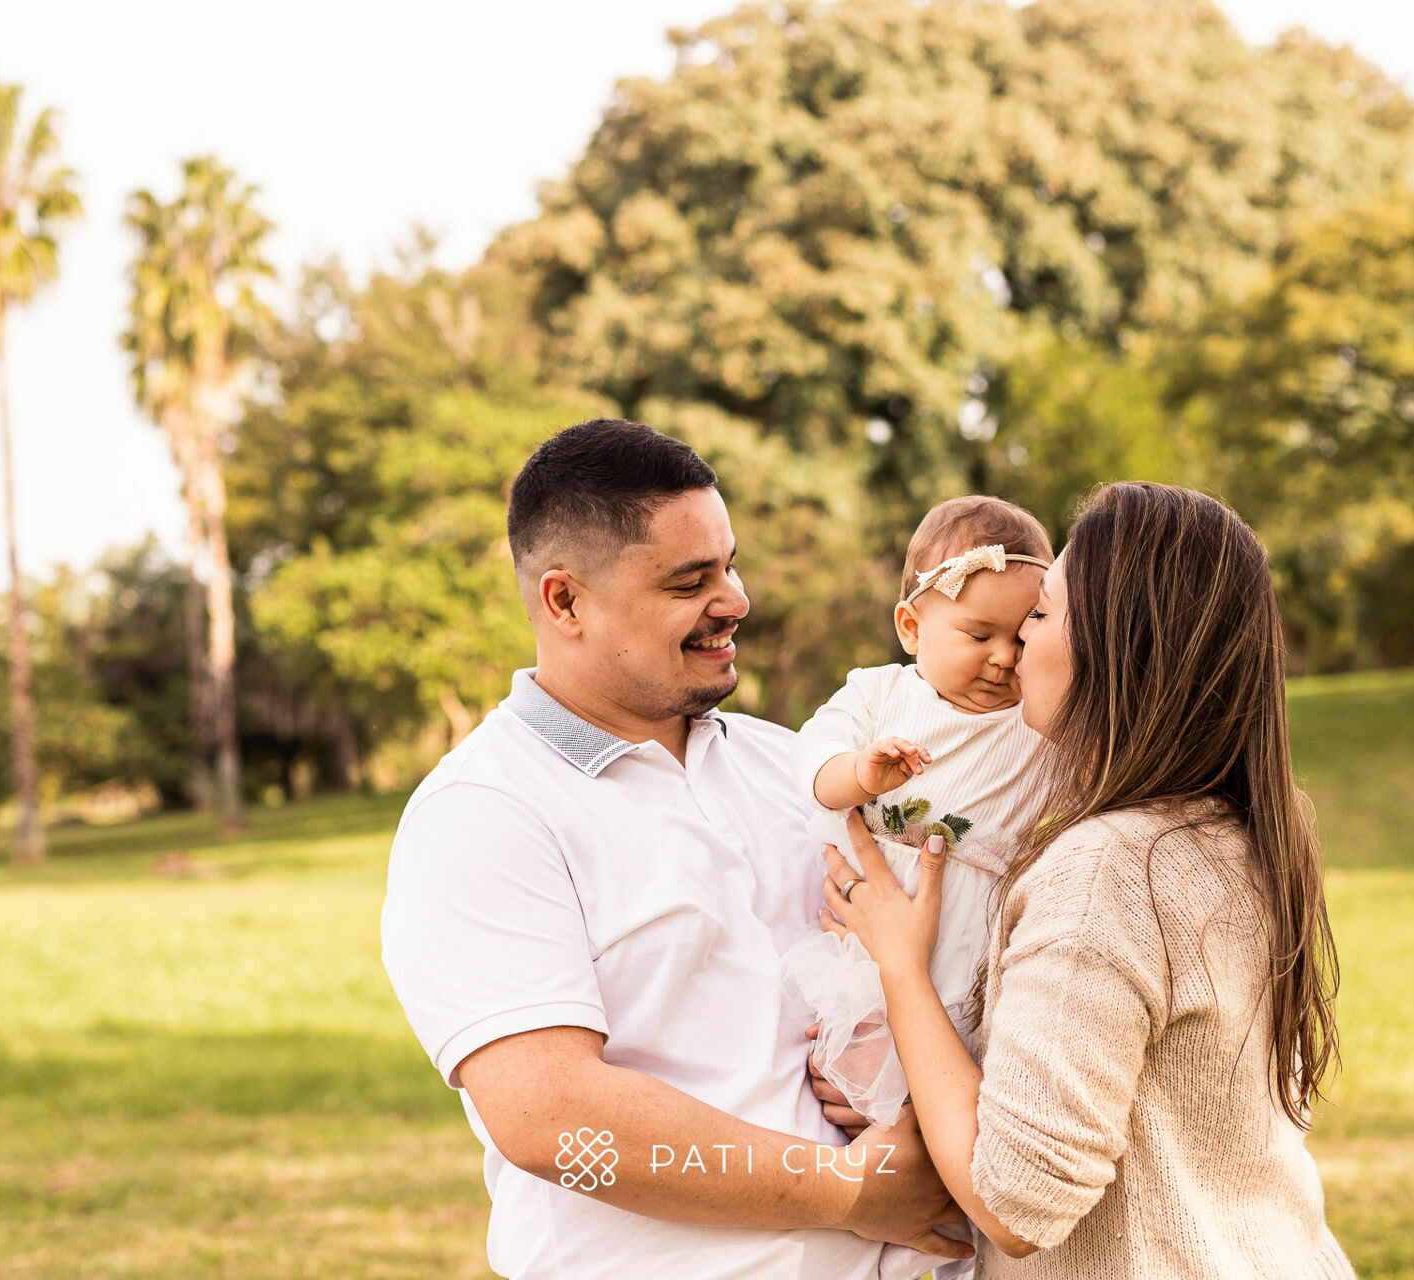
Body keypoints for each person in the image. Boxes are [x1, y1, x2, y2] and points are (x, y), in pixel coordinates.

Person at [379, 417, 972, 1280]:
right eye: (690, 581)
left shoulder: (793, 764)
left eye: (728, 565)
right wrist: (848, 1190)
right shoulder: (483, 812)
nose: (735, 600)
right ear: (565, 601)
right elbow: (553, 1122)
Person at [816, 481, 1354, 1277]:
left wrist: (901, 969)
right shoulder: (1224, 830)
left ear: (1112, 648)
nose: (1016, 646)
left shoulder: (1109, 870)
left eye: (1041, 613)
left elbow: (1014, 1203)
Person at [780, 496, 1054, 1280]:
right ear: (911, 628)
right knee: (863, 1132)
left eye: (1025, 632)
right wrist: (860, 773)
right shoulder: (879, 698)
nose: (1004, 657)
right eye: (978, 635)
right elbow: (813, 757)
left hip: (963, 973)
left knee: (953, 1143)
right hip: (865, 958)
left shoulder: (1037, 724)